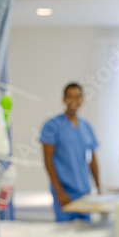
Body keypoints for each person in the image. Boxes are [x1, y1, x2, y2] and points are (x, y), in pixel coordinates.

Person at [40, 82, 100, 222]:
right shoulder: (52, 126)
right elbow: (48, 161)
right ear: (64, 99)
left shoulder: (86, 127)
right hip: (64, 191)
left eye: (77, 97)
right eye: (70, 97)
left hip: (84, 190)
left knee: (86, 234)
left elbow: (93, 160)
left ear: (82, 100)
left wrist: (98, 189)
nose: (74, 101)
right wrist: (59, 192)